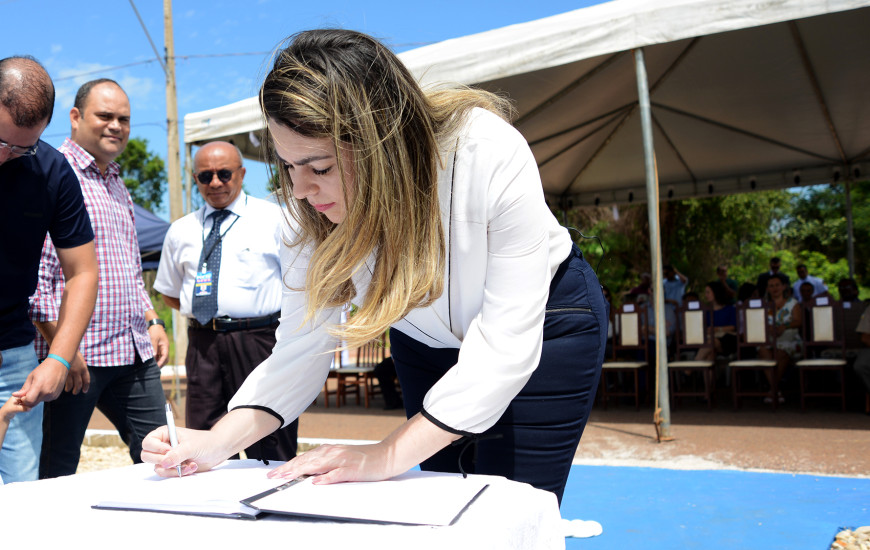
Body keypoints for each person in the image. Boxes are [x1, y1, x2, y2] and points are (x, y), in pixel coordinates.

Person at [142, 29, 607, 505]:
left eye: (318, 168)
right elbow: (301, 348)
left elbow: (505, 349)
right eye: (287, 167)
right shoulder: (308, 213)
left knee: (508, 508)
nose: (299, 190)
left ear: (382, 141)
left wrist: (384, 456)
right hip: (422, 336)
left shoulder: (487, 151)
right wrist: (213, 443)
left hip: (546, 328)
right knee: (440, 504)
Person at [30, 79, 169, 478]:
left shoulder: (116, 182)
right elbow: (35, 277)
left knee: (165, 457)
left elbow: (129, 265)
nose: (116, 126)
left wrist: (152, 318)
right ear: (75, 118)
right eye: (105, 116)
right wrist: (61, 349)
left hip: (133, 352)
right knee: (55, 470)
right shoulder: (51, 173)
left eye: (123, 119)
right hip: (77, 356)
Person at [153, 140, 298, 461]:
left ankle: (274, 505)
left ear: (242, 173)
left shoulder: (275, 219)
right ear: (195, 179)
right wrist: (211, 315)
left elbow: (299, 285)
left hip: (260, 341)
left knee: (269, 432)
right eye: (205, 176)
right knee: (203, 435)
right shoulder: (181, 230)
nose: (215, 183)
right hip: (203, 343)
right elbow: (169, 290)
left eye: (224, 173)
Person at [0, 56, 98, 483]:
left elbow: (82, 272)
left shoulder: (52, 170)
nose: (5, 157)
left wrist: (59, 356)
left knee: (19, 498)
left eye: (21, 148)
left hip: (11, 357)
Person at [759, 273, 802, 403]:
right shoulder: (764, 305)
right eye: (771, 286)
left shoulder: (792, 303)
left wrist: (784, 326)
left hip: (790, 337)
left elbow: (799, 321)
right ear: (767, 289)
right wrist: (769, 329)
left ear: (784, 287)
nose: (774, 288)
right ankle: (776, 390)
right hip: (770, 337)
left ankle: (772, 390)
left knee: (781, 351)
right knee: (762, 350)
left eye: (777, 285)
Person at [694, 281, 737, 361]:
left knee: (711, 342)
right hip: (709, 341)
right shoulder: (706, 311)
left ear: (716, 292)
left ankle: (692, 367)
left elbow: (733, 327)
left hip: (726, 341)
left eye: (708, 292)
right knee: (710, 353)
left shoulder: (730, 309)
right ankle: (701, 371)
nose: (706, 295)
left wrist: (717, 329)